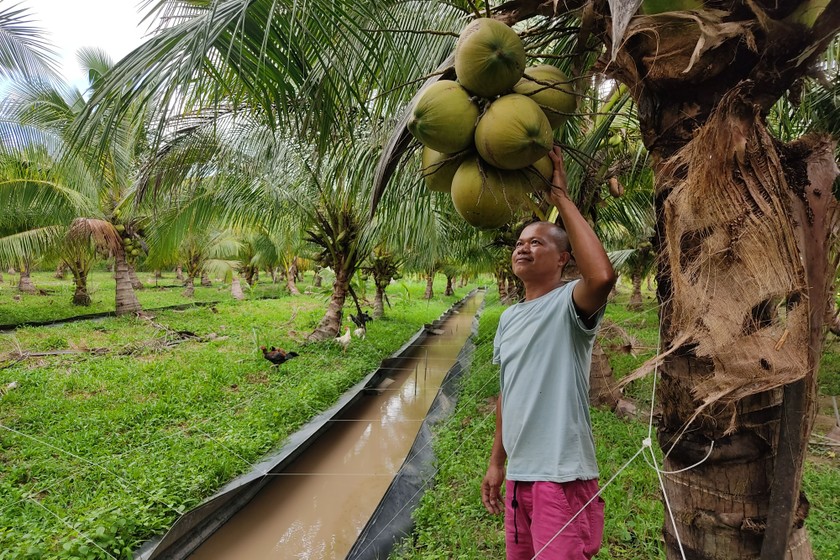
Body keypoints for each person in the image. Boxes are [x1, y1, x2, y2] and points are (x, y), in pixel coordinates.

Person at [481, 145, 616, 559]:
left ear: (562, 259)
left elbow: (603, 276)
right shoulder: (507, 319)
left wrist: (560, 199)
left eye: (536, 242)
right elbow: (509, 392)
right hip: (520, 476)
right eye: (520, 242)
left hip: (559, 474)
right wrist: (497, 462)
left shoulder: (569, 306)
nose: (522, 248)